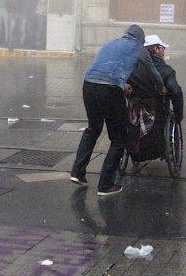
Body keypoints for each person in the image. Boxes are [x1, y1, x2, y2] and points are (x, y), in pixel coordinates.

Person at [69, 25, 161, 196]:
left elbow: (105, 67)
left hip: (89, 85)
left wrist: (122, 84)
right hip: (110, 90)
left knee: (93, 129)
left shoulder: (110, 44)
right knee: (119, 138)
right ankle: (105, 185)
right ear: (140, 39)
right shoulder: (139, 48)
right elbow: (153, 72)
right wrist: (161, 87)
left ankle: (77, 172)